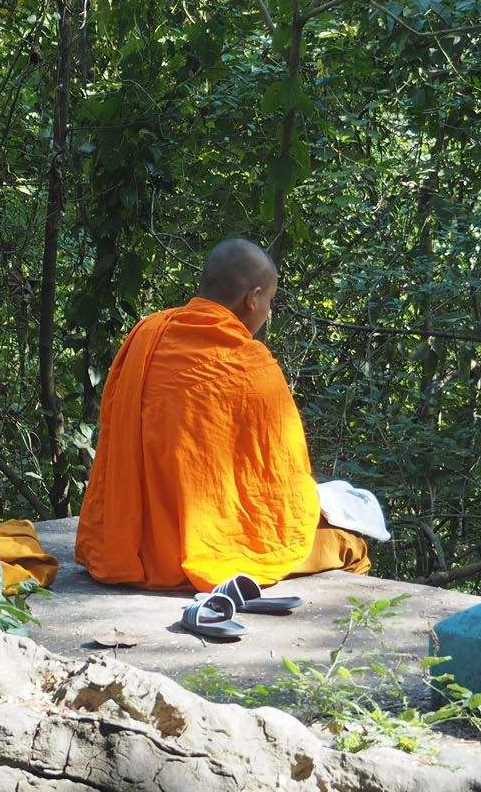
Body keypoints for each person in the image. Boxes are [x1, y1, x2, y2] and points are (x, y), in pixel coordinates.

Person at [75, 237, 370, 591]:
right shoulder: (249, 363)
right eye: (270, 301)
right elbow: (280, 482)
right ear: (253, 297)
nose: (268, 312)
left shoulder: (147, 333)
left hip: (130, 544)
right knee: (350, 547)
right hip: (212, 544)